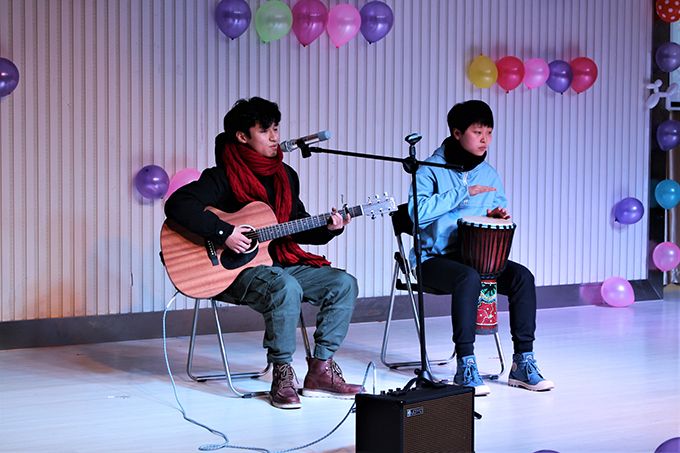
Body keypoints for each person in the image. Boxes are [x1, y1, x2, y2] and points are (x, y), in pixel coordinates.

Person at [165, 97, 363, 409]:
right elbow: (177, 205)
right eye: (265, 130)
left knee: (343, 283)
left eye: (276, 129)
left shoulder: (286, 176)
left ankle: (320, 371)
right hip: (232, 273)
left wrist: (330, 228)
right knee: (285, 286)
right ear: (242, 136)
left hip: (278, 262)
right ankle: (282, 373)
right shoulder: (222, 176)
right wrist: (225, 233)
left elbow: (296, 226)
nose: (274, 137)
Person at [408, 100, 554, 396]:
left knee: (522, 277)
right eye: (477, 132)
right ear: (457, 133)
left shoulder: (489, 174)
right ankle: (466, 364)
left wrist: (496, 217)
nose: (485, 139)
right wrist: (462, 193)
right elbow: (416, 214)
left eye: (489, 132)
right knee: (468, 278)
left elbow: (495, 213)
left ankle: (523, 362)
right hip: (434, 259)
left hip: (477, 258)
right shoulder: (428, 170)